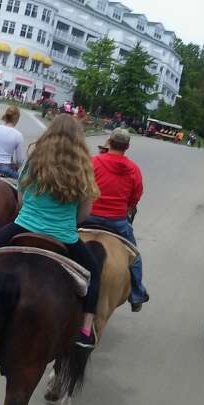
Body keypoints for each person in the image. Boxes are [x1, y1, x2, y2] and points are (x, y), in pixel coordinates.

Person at [0, 114, 102, 348]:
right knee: (94, 274)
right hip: (65, 236)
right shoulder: (84, 168)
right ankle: (85, 332)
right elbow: (83, 215)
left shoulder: (35, 160)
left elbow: (22, 199)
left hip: (24, 225)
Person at [84, 128, 148, 312]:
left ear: (109, 141)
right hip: (117, 222)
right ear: (127, 147)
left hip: (88, 216)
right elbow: (135, 197)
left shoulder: (93, 162)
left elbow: (82, 187)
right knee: (135, 257)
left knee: (60, 237)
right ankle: (136, 294)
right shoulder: (134, 169)